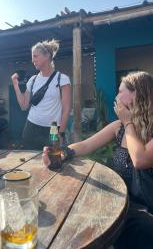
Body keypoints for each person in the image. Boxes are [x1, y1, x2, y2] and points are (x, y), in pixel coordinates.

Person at [43, 71, 153, 249]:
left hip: (145, 210)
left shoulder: (128, 126)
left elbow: (140, 159)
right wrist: (63, 153)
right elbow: (86, 145)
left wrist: (128, 122)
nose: (116, 96)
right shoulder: (118, 127)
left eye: (120, 91)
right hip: (121, 203)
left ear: (136, 94)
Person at [11, 39, 71, 150]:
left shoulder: (62, 79)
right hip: (31, 128)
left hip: (52, 130)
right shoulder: (32, 80)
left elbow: (66, 109)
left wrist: (61, 133)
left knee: (52, 161)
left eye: (35, 56)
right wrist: (15, 85)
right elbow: (24, 106)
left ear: (47, 56)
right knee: (31, 162)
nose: (32, 60)